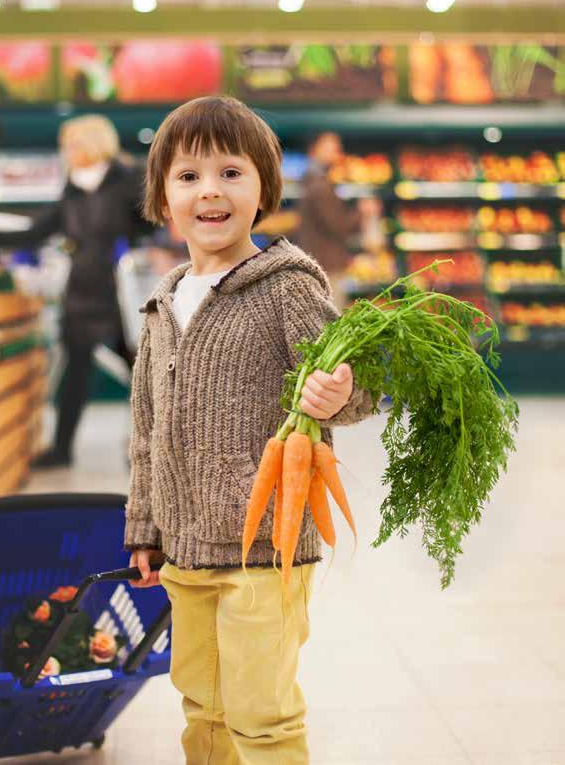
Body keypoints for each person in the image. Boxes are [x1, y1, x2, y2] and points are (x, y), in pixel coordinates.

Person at [124, 96, 374, 763]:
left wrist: (339, 391)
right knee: (203, 709)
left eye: (231, 172)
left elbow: (357, 391)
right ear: (163, 197)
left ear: (264, 188)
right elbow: (146, 433)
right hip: (184, 550)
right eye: (188, 176)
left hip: (266, 547)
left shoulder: (286, 287)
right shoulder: (160, 305)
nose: (210, 189)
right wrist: (144, 527)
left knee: (262, 716)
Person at [0, 114, 150, 468]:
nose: (67, 152)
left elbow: (155, 221)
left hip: (121, 293)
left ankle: (144, 448)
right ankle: (61, 451)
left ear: (93, 143)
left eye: (72, 144)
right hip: (81, 292)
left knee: (141, 372)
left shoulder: (128, 181)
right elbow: (38, 231)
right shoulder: (72, 190)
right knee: (74, 376)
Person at [296, 131, 381, 308]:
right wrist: (361, 211)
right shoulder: (320, 186)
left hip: (318, 262)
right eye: (330, 147)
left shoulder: (312, 181)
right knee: (332, 318)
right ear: (314, 150)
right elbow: (338, 226)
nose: (336, 152)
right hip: (327, 265)